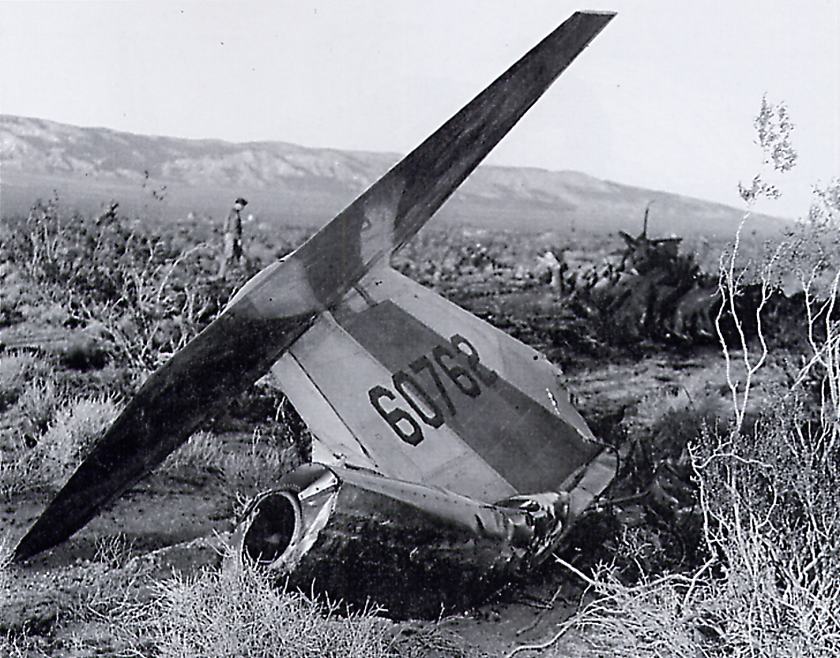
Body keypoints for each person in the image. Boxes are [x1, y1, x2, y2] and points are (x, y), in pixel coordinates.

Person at [218, 197, 247, 278]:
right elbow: (233, 227)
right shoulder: (234, 214)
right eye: (242, 206)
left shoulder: (233, 213)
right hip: (231, 236)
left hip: (230, 235)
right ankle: (222, 274)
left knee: (234, 254)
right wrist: (237, 238)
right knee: (228, 255)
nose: (242, 208)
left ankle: (227, 273)